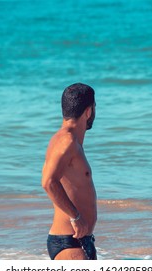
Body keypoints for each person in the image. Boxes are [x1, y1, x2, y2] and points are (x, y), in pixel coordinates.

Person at [42, 83, 97, 260]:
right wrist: (76, 217)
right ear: (88, 111)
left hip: (79, 240)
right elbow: (48, 182)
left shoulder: (71, 141)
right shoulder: (66, 141)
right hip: (69, 241)